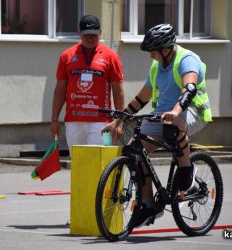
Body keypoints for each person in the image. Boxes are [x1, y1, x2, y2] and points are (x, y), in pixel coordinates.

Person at [102, 24, 212, 227]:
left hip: (192, 112)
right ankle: (148, 204)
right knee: (136, 151)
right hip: (162, 116)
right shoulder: (156, 66)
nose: (151, 56)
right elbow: (142, 97)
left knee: (173, 125)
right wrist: (119, 119)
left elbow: (189, 87)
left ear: (166, 49)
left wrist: (176, 112)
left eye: (153, 52)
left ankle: (186, 169)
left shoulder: (187, 60)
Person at [50, 15, 125, 154]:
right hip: (73, 120)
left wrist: (119, 120)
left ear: (100, 32)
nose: (90, 38)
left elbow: (118, 90)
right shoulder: (66, 56)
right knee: (78, 164)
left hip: (102, 121)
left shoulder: (111, 57)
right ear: (79, 32)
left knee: (100, 164)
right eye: (86, 35)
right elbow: (60, 89)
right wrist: (54, 119)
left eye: (94, 35)